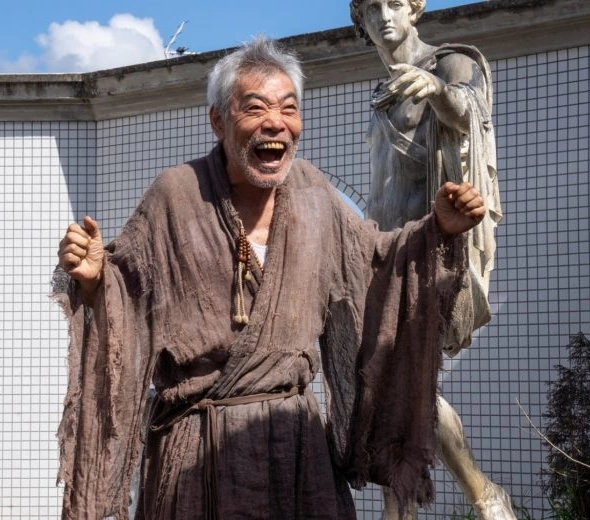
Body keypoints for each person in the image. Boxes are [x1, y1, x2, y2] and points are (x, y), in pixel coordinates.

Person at [54, 37, 485, 519]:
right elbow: (126, 292)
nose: (275, 122)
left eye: (288, 108)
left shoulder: (314, 194)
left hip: (297, 448)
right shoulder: (176, 195)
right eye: (255, 108)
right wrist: (95, 279)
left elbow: (376, 262)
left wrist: (436, 231)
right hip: (199, 451)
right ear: (218, 121)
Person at [350, 0, 511, 518]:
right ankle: (475, 497)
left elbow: (471, 110)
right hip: (385, 254)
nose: (384, 16)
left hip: (433, 250)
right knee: (390, 386)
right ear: (360, 20)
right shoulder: (382, 92)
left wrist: (439, 91)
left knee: (401, 380)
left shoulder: (450, 62)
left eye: (395, 3)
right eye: (371, 7)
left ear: (415, 9)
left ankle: (479, 495)